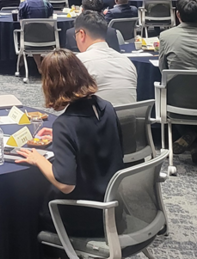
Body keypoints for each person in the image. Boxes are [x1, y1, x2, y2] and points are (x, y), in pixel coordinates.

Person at [13, 49, 123, 239]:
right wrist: (63, 138)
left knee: (24, 206)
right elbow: (96, 139)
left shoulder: (65, 124)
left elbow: (65, 185)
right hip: (112, 206)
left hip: (82, 217)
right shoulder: (106, 107)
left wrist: (38, 159)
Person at [73, 12, 137, 106]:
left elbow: (67, 101)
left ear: (82, 34)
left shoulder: (79, 62)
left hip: (98, 119)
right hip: (130, 119)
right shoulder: (126, 61)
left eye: (76, 35)